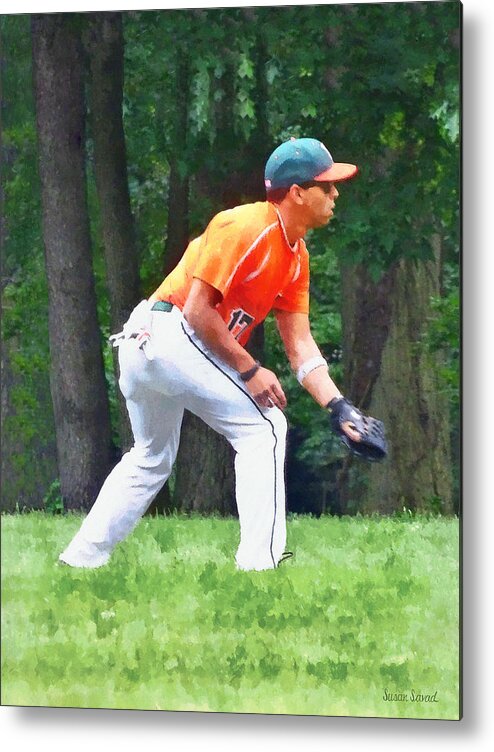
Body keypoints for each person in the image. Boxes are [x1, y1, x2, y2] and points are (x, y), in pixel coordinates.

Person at [59, 137, 360, 572]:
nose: (334, 194)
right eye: (326, 186)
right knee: (265, 428)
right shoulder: (246, 226)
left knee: (151, 456)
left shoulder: (296, 258)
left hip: (157, 340)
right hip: (167, 332)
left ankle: (80, 560)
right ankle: (260, 566)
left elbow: (300, 346)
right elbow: (199, 311)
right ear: (297, 192)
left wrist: (337, 405)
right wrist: (250, 367)